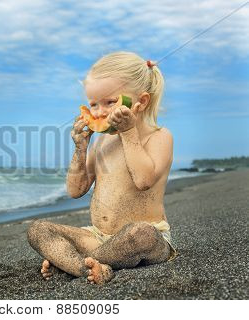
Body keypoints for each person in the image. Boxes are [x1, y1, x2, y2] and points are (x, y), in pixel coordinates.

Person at [27, 51, 176, 284]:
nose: (98, 113)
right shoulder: (102, 141)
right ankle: (85, 266)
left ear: (142, 101)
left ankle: (71, 265)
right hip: (98, 237)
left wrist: (128, 133)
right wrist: (80, 148)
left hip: (145, 238)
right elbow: (76, 190)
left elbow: (143, 181)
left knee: (142, 234)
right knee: (38, 229)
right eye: (93, 104)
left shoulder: (160, 137)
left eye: (110, 102)